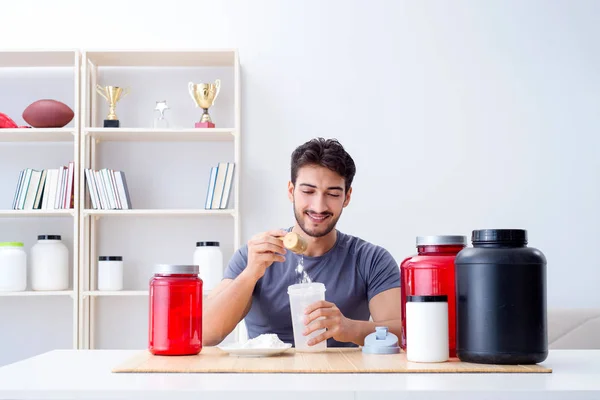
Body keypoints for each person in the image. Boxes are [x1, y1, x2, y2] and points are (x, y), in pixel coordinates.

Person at [203, 138, 401, 348]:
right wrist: (251, 273)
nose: (319, 206)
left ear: (347, 197)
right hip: (265, 378)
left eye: (333, 194)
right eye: (308, 192)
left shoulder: (370, 260)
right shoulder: (253, 256)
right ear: (291, 191)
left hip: (343, 378)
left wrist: (350, 329)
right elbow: (205, 335)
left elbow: (404, 332)